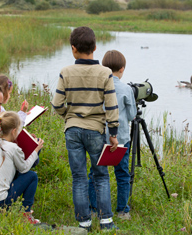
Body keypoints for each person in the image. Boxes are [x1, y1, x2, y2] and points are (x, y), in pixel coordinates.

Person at [51, 26, 120, 231]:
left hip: (72, 130)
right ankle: (106, 221)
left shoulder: (66, 72)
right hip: (96, 130)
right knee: (100, 175)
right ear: (95, 47)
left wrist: (69, 116)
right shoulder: (105, 73)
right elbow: (111, 106)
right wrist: (113, 134)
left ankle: (84, 222)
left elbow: (56, 105)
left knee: (79, 177)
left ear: (73, 49)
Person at [88, 50, 137, 220]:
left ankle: (93, 209)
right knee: (122, 174)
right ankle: (122, 210)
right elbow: (131, 115)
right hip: (121, 139)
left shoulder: (97, 87)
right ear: (122, 69)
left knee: (95, 173)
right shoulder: (126, 89)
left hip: (99, 137)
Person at [0, 111, 44, 224]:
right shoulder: (12, 148)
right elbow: (24, 168)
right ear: (13, 131)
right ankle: (26, 214)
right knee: (32, 176)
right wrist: (36, 150)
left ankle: (12, 213)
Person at [0, 75, 29, 143]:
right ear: (3, 93)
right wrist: (23, 113)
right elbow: (12, 126)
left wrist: (22, 113)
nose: (9, 96)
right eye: (9, 93)